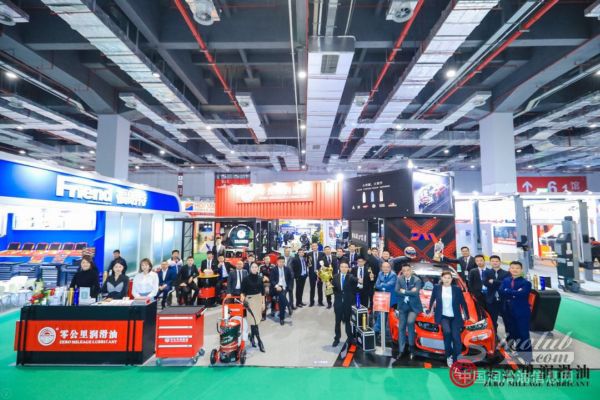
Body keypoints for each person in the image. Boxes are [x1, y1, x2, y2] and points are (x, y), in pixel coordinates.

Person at [428, 270, 468, 367]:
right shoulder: (437, 288)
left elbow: (463, 302)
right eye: (445, 278)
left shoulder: (456, 289)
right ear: (442, 278)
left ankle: (456, 359)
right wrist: (429, 311)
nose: (447, 280)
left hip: (455, 316)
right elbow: (432, 299)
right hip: (443, 316)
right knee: (447, 332)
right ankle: (448, 355)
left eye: (449, 278)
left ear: (451, 279)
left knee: (456, 338)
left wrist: (466, 315)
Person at [500, 261, 532, 362]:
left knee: (523, 334)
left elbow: (522, 294)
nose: (515, 270)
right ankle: (517, 351)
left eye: (517, 268)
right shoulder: (506, 280)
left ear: (521, 270)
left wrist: (508, 291)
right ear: (509, 269)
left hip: (521, 312)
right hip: (508, 311)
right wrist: (514, 292)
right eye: (512, 268)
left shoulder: (526, 283)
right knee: (512, 333)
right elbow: (501, 291)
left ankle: (527, 357)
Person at [395, 263, 423, 359]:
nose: (406, 272)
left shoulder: (417, 280)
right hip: (403, 306)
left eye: (408, 270)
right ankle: (401, 350)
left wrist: (404, 291)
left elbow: (415, 293)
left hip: (413, 307)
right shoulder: (399, 279)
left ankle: (412, 349)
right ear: (402, 271)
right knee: (401, 327)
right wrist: (410, 292)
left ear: (411, 270)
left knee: (410, 322)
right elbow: (396, 291)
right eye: (404, 271)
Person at [332, 261, 358, 347]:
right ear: (339, 268)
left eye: (346, 267)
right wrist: (328, 287)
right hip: (338, 303)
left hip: (347, 304)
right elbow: (332, 289)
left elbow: (357, 283)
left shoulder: (351, 277)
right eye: (342, 267)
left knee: (347, 321)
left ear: (348, 268)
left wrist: (360, 281)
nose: (344, 268)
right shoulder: (335, 277)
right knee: (337, 322)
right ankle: (337, 338)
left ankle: (350, 338)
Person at [241, 262, 266, 352]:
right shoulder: (245, 279)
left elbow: (263, 292)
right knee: (254, 322)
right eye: (253, 267)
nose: (254, 268)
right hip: (250, 302)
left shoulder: (260, 278)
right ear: (250, 268)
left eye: (256, 267)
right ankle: (259, 341)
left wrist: (263, 303)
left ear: (258, 269)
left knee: (255, 322)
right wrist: (243, 301)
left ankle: (252, 337)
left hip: (258, 300)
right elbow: (242, 292)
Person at [483, 255, 509, 332]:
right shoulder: (486, 272)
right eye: (493, 261)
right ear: (490, 262)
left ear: (500, 262)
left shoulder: (506, 273)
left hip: (503, 300)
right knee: (492, 320)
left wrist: (494, 281)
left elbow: (507, 284)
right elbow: (485, 283)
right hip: (491, 300)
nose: (495, 263)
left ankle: (509, 336)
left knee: (507, 320)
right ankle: (494, 336)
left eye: (496, 261)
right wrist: (500, 283)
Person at [373, 261, 397, 341]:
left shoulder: (393, 275)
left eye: (387, 267)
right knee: (380, 315)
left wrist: (382, 285)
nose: (385, 269)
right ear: (381, 268)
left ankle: (387, 335)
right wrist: (383, 285)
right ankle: (378, 331)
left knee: (388, 317)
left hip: (391, 299)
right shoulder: (380, 273)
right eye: (384, 267)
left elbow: (390, 284)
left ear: (390, 268)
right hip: (382, 298)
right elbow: (377, 285)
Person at [269, 256, 293, 325]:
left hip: (284, 287)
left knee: (281, 300)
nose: (281, 263)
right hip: (275, 288)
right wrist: (277, 286)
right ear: (277, 262)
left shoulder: (287, 269)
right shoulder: (274, 269)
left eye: (283, 262)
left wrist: (288, 286)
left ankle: (281, 319)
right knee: (281, 294)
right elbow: (272, 280)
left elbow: (290, 278)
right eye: (280, 262)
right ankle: (288, 305)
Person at [308, 242, 324, 306]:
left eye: (315, 246)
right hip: (312, 273)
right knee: (312, 288)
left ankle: (320, 302)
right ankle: (311, 302)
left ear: (317, 247)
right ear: (311, 247)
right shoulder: (309, 254)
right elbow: (307, 263)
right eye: (313, 246)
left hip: (320, 273)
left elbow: (323, 263)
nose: (314, 247)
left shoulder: (322, 254)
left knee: (320, 288)